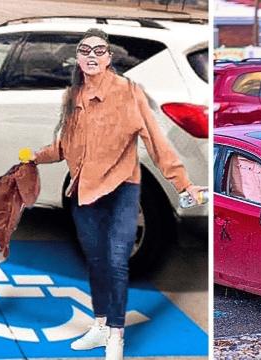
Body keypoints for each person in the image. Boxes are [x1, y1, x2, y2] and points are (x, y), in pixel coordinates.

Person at [32, 28, 205, 360]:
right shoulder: (73, 97)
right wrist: (36, 156)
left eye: (99, 51)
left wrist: (183, 184)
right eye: (85, 50)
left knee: (115, 263)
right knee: (96, 263)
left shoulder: (129, 93)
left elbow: (157, 143)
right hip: (83, 194)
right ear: (78, 58)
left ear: (109, 58)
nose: (92, 56)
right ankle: (99, 325)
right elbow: (66, 146)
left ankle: (116, 336)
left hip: (122, 192)